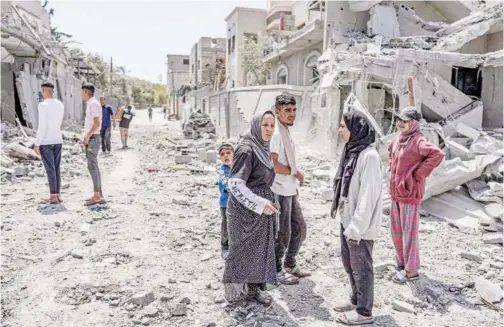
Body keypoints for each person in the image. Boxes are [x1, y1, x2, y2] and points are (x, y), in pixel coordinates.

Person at [330, 111, 383, 325]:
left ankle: (364, 312)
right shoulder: (352, 151)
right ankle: (355, 299)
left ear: (356, 128)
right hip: (348, 220)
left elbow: (368, 195)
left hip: (359, 225)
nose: (339, 130)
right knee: (349, 263)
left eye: (343, 126)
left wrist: (356, 227)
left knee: (362, 268)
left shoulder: (370, 156)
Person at [223, 111, 279, 305]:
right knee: (242, 251)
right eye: (265, 125)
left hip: (261, 209)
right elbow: (235, 185)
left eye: (272, 125)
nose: (269, 129)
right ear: (256, 125)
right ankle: (235, 294)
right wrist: (260, 204)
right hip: (244, 211)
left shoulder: (264, 147)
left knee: (259, 250)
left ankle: (254, 290)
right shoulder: (247, 149)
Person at [388, 107, 444, 283]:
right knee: (396, 232)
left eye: (404, 121)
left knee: (409, 234)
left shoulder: (419, 141)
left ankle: (412, 271)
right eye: (398, 120)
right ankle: (402, 264)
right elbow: (391, 153)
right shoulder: (398, 140)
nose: (400, 123)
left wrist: (417, 175)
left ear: (413, 123)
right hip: (397, 194)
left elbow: (437, 154)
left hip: (410, 194)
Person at [270, 94, 310, 285]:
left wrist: (295, 177)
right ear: (277, 112)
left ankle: (290, 263)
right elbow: (274, 165)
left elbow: (287, 162)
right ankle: (276, 270)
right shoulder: (276, 134)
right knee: (282, 233)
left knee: (300, 228)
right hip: (279, 191)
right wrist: (294, 172)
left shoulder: (285, 131)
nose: (292, 114)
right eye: (287, 110)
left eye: (293, 110)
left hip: (289, 190)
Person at [34, 81, 64, 204]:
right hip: (58, 139)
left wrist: (37, 143)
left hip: (46, 141)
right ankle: (57, 194)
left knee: (50, 168)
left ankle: (53, 196)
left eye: (41, 91)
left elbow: (42, 126)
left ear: (43, 90)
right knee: (56, 168)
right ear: (53, 91)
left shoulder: (42, 105)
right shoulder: (60, 104)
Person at [81, 83, 104, 206]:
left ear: (85, 91)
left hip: (93, 138)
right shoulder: (92, 103)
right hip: (93, 137)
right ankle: (99, 193)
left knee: (92, 166)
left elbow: (96, 123)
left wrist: (87, 136)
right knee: (93, 166)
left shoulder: (93, 104)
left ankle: (97, 195)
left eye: (82, 92)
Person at [217, 142, 234, 260]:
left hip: (238, 203)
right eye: (222, 154)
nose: (226, 156)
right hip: (226, 203)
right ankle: (225, 246)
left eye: (228, 153)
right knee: (226, 225)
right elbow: (228, 186)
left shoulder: (238, 168)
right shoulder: (223, 171)